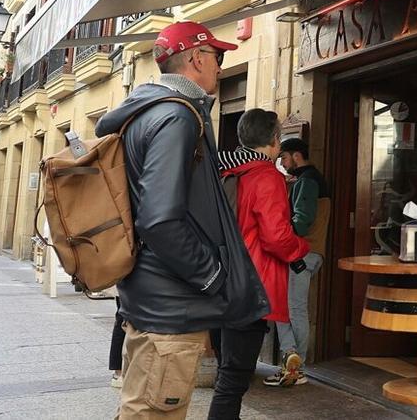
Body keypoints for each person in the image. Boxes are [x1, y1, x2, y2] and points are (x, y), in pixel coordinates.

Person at [94, 21, 267, 420]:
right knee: (155, 411)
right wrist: (212, 276)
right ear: (196, 58)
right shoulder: (177, 116)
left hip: (152, 295)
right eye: (217, 57)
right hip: (170, 305)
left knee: (141, 407)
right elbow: (159, 220)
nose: (221, 67)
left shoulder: (148, 112)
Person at [216, 110, 310, 408]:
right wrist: (301, 249)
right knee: (234, 381)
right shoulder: (267, 176)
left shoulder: (229, 170)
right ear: (274, 139)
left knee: (227, 374)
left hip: (224, 281)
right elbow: (276, 237)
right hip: (252, 285)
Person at [265, 137, 331, 387]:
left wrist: (279, 233)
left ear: (295, 156)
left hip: (300, 253)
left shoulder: (307, 181)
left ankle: (296, 367)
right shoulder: (312, 180)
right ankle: (290, 359)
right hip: (310, 254)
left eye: (284, 157)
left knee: (293, 309)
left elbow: (301, 221)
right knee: (282, 307)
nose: (282, 162)